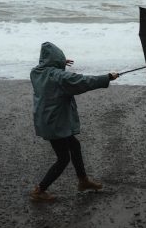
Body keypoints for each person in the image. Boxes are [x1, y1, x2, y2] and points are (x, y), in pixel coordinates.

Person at [29, 42, 119, 201]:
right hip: (55, 123)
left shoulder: (36, 73)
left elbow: (51, 72)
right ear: (55, 60)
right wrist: (107, 77)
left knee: (74, 145)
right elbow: (83, 81)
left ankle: (83, 180)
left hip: (46, 120)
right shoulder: (58, 77)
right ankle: (39, 190)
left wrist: (59, 64)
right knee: (63, 158)